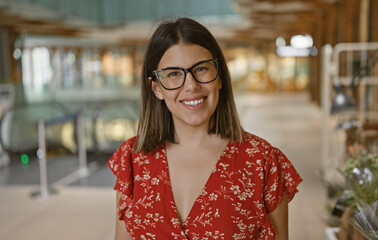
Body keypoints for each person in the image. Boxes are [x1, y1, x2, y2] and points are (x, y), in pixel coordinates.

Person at [107, 17, 302, 240]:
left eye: (201, 69)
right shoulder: (132, 159)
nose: (191, 85)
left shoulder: (262, 161)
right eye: (173, 74)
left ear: (219, 78)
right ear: (156, 89)